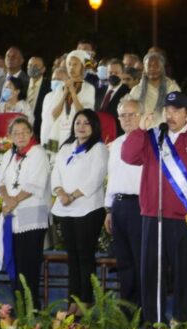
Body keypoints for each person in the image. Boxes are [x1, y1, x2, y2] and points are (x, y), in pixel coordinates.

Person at [122, 91, 187, 324]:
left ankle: (183, 323)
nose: (170, 115)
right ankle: (153, 323)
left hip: (185, 219)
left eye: (176, 111)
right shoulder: (153, 137)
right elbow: (128, 156)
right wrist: (140, 131)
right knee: (151, 274)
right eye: (167, 110)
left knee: (183, 274)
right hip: (152, 217)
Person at [51, 109, 108, 315]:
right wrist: (60, 192)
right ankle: (73, 301)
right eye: (78, 123)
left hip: (87, 209)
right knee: (72, 258)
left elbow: (95, 178)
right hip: (66, 210)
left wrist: (72, 195)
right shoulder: (66, 147)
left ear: (94, 127)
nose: (81, 127)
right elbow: (55, 173)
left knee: (85, 257)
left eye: (86, 123)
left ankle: (86, 303)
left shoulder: (99, 149)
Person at [0, 118, 50, 310]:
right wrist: (7, 198)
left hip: (32, 217)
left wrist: (13, 201)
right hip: (12, 217)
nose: (20, 136)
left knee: (29, 267)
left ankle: (32, 308)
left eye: (24, 132)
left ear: (31, 133)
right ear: (10, 136)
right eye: (16, 133)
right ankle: (19, 307)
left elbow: (35, 184)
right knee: (16, 266)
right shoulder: (10, 154)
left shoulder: (38, 153)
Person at [104, 95, 143, 308]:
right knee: (124, 260)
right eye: (122, 116)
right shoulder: (116, 144)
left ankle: (142, 307)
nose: (126, 119)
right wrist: (109, 209)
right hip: (118, 205)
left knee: (140, 259)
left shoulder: (149, 140)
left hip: (139, 205)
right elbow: (112, 178)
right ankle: (127, 306)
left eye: (131, 115)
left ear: (141, 116)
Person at [41, 50, 95, 151]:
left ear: (82, 66)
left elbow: (86, 114)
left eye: (75, 64)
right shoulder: (60, 88)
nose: (71, 67)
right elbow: (53, 115)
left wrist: (73, 93)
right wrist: (65, 93)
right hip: (56, 133)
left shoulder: (89, 88)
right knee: (53, 160)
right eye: (69, 64)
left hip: (77, 133)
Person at [129, 52, 180, 128]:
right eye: (149, 66)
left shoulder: (172, 88)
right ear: (144, 68)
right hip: (142, 133)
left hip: (166, 132)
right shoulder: (136, 91)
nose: (152, 69)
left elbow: (178, 114)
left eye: (156, 66)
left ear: (162, 67)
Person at [26, 56, 49, 140]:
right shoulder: (22, 85)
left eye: (36, 66)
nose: (32, 68)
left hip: (39, 133)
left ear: (43, 69)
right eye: (30, 65)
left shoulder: (49, 87)